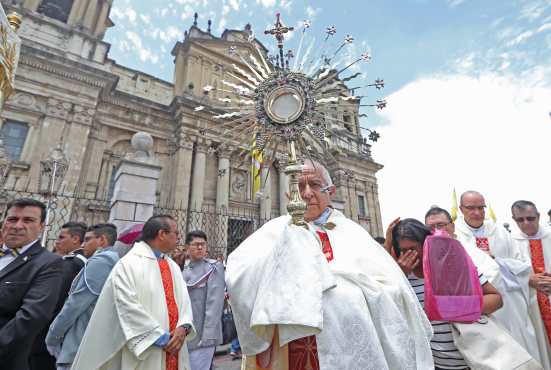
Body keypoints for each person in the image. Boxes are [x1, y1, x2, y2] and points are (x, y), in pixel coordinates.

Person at [226, 160, 433, 370]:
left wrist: (345, 293)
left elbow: (392, 288)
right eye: (299, 186)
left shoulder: (353, 233)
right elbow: (239, 275)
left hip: (346, 344)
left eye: (314, 185)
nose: (306, 193)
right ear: (289, 195)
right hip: (286, 347)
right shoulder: (275, 231)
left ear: (330, 191)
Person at [430, 204, 548, 367]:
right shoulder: (453, 243)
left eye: (480, 207)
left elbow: (513, 270)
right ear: (461, 210)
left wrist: (498, 261)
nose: (476, 212)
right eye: (470, 208)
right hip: (457, 338)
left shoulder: (499, 233)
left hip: (510, 304)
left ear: (451, 224)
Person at [71, 215, 196, 370]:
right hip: (148, 349)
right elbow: (126, 307)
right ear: (162, 234)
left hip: (175, 347)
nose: (179, 237)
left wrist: (184, 326)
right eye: (176, 233)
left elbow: (185, 302)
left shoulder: (172, 266)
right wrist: (161, 338)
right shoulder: (128, 265)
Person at [390, 217, 502, 370]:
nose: (410, 256)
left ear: (427, 244)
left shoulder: (455, 266)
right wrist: (399, 276)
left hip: (473, 360)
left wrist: (456, 307)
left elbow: (496, 299)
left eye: (414, 249)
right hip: (435, 364)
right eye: (403, 251)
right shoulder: (401, 279)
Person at [0, 198, 64, 370]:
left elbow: (32, 316)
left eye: (28, 220)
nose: (18, 226)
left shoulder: (49, 264)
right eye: (12, 219)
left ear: (42, 226)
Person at [45, 223, 119, 370]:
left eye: (88, 239)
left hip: (80, 340)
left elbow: (76, 303)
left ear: (102, 240)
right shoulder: (114, 261)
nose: (83, 244)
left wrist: (52, 335)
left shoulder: (100, 262)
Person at [510, 200, 551, 368]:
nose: (526, 223)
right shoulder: (510, 242)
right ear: (514, 219)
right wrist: (526, 279)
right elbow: (502, 275)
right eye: (520, 220)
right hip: (531, 306)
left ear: (538, 216)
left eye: (530, 218)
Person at [183, 230, 225, 370]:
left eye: (203, 244)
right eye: (196, 245)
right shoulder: (182, 268)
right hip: (184, 332)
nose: (200, 248)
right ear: (187, 247)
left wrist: (208, 335)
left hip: (203, 335)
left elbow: (215, 304)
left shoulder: (213, 268)